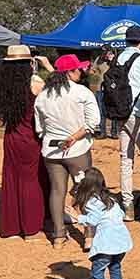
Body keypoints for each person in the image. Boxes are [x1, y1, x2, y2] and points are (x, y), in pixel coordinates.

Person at [34, 54, 100, 249]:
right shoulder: (82, 92)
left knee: (57, 191)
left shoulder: (43, 95)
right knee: (87, 190)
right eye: (78, 69)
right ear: (70, 72)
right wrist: (74, 137)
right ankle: (88, 235)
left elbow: (40, 128)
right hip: (77, 149)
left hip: (51, 150)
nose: (81, 71)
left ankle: (58, 235)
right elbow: (93, 122)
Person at [0, 45, 49, 240]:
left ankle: (11, 227)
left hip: (11, 136)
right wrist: (49, 67)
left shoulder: (3, 84)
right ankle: (31, 228)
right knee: (31, 180)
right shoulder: (35, 83)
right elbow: (57, 92)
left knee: (11, 178)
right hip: (30, 137)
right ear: (29, 63)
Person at [73, 168, 132, 279]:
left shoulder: (92, 202)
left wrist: (76, 217)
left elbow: (93, 220)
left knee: (97, 271)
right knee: (115, 265)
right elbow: (121, 214)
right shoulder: (111, 199)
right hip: (121, 241)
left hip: (106, 243)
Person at [116, 25, 140, 223]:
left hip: (120, 114)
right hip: (139, 115)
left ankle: (128, 207)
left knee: (126, 160)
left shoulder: (118, 58)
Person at [91, 49, 119, 139]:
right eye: (107, 52)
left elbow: (119, 71)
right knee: (101, 110)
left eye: (110, 52)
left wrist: (113, 61)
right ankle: (102, 132)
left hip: (112, 88)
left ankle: (114, 132)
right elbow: (93, 70)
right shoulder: (99, 59)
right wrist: (89, 71)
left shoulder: (115, 60)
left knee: (113, 110)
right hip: (101, 88)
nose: (109, 54)